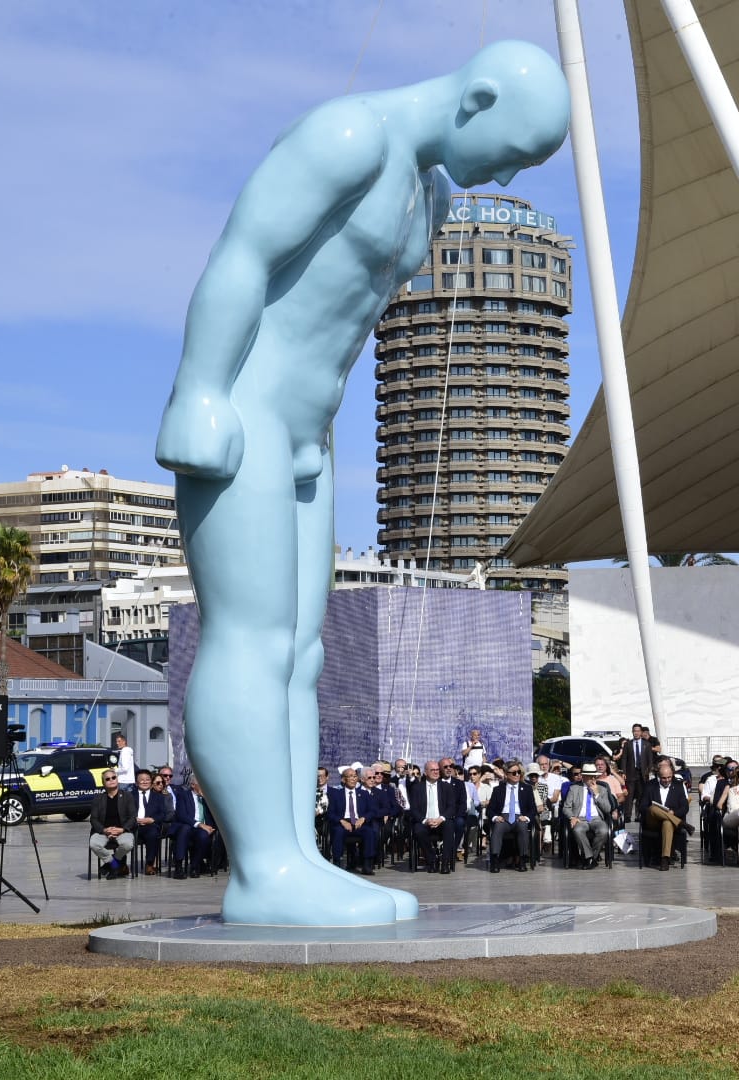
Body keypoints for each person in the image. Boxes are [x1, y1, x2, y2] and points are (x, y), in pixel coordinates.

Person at [155, 41, 569, 927]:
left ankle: (295, 858)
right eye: (513, 149)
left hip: (310, 435)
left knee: (302, 657)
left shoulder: (433, 191)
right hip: (247, 415)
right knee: (253, 640)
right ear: (479, 98)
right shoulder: (347, 135)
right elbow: (242, 257)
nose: (509, 175)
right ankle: (261, 873)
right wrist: (200, 389)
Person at [408, 760, 465, 873]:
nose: (436, 772)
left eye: (437, 770)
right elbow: (414, 809)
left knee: (449, 826)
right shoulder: (417, 788)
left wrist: (441, 819)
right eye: (432, 770)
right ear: (425, 772)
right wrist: (425, 820)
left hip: (441, 820)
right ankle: (431, 859)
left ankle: (445, 862)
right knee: (418, 830)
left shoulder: (446, 787)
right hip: (425, 821)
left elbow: (451, 807)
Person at [326, 767, 378, 876]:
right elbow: (331, 813)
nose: (353, 779)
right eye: (350, 776)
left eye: (355, 776)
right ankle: (337, 862)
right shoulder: (336, 795)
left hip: (359, 822)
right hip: (343, 822)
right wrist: (342, 821)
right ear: (343, 780)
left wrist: (363, 819)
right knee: (338, 832)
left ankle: (367, 864)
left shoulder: (364, 794)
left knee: (369, 832)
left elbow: (372, 811)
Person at [486, 762, 537, 872]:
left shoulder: (527, 789)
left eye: (519, 772)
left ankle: (522, 860)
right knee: (497, 827)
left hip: (520, 817)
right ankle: (495, 860)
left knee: (523, 828)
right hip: (503, 817)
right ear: (506, 774)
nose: (517, 774)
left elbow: (533, 809)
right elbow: (490, 810)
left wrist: (527, 818)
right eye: (514, 773)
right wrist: (495, 817)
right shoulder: (498, 790)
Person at [564, 764, 616, 867]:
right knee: (577, 830)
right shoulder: (574, 788)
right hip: (580, 819)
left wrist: (597, 794)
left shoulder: (602, 789)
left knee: (604, 831)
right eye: (589, 776)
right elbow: (566, 807)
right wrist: (572, 817)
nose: (593, 779)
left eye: (594, 776)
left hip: (596, 819)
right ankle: (590, 858)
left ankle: (590, 857)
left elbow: (607, 809)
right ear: (583, 777)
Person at [89, 770, 137, 879]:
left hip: (122, 830)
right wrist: (105, 830)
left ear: (117, 779)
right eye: (107, 779)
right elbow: (94, 819)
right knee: (94, 844)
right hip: (103, 831)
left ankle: (110, 865)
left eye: (113, 777)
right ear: (103, 783)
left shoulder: (127, 796)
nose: (111, 780)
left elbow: (132, 817)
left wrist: (122, 829)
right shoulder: (98, 798)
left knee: (127, 844)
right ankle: (114, 865)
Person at [643, 758, 690, 870]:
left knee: (667, 822)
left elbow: (685, 807)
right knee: (653, 808)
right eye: (664, 778)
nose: (667, 780)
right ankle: (681, 824)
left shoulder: (678, 786)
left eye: (669, 777)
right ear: (659, 776)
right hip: (653, 820)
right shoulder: (650, 786)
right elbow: (642, 806)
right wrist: (654, 810)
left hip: (670, 821)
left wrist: (674, 812)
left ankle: (664, 859)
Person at [133, 768, 174, 875]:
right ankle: (117, 865)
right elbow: (124, 812)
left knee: (153, 834)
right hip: (133, 825)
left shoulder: (158, 797)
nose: (145, 781)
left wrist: (152, 819)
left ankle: (149, 864)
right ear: (136, 782)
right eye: (142, 780)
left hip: (150, 825)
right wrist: (134, 819)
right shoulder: (129, 795)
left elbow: (162, 814)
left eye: (147, 779)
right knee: (123, 839)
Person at [618, 724, 656, 815]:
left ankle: (639, 814)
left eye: (638, 731)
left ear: (641, 732)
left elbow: (650, 759)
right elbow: (624, 759)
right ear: (632, 732)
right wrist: (623, 771)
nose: (636, 733)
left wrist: (649, 771)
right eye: (634, 731)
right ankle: (627, 814)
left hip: (643, 773)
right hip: (631, 772)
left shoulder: (647, 744)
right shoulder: (628, 744)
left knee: (641, 794)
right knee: (629, 795)